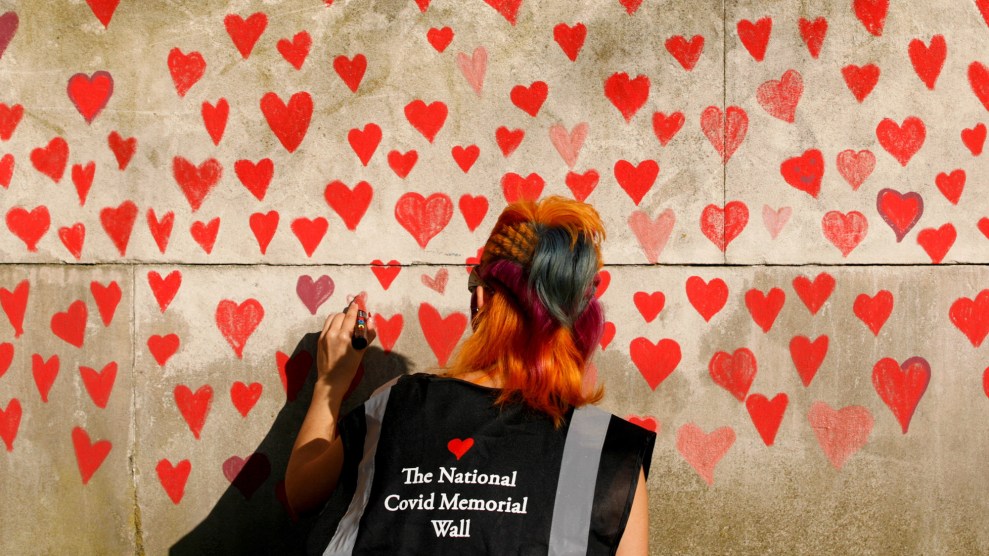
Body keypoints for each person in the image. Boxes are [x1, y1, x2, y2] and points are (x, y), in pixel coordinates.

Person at [286, 196, 656, 555]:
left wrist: (330, 384)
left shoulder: (395, 406)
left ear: (481, 298)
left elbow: (301, 491)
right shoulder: (612, 453)